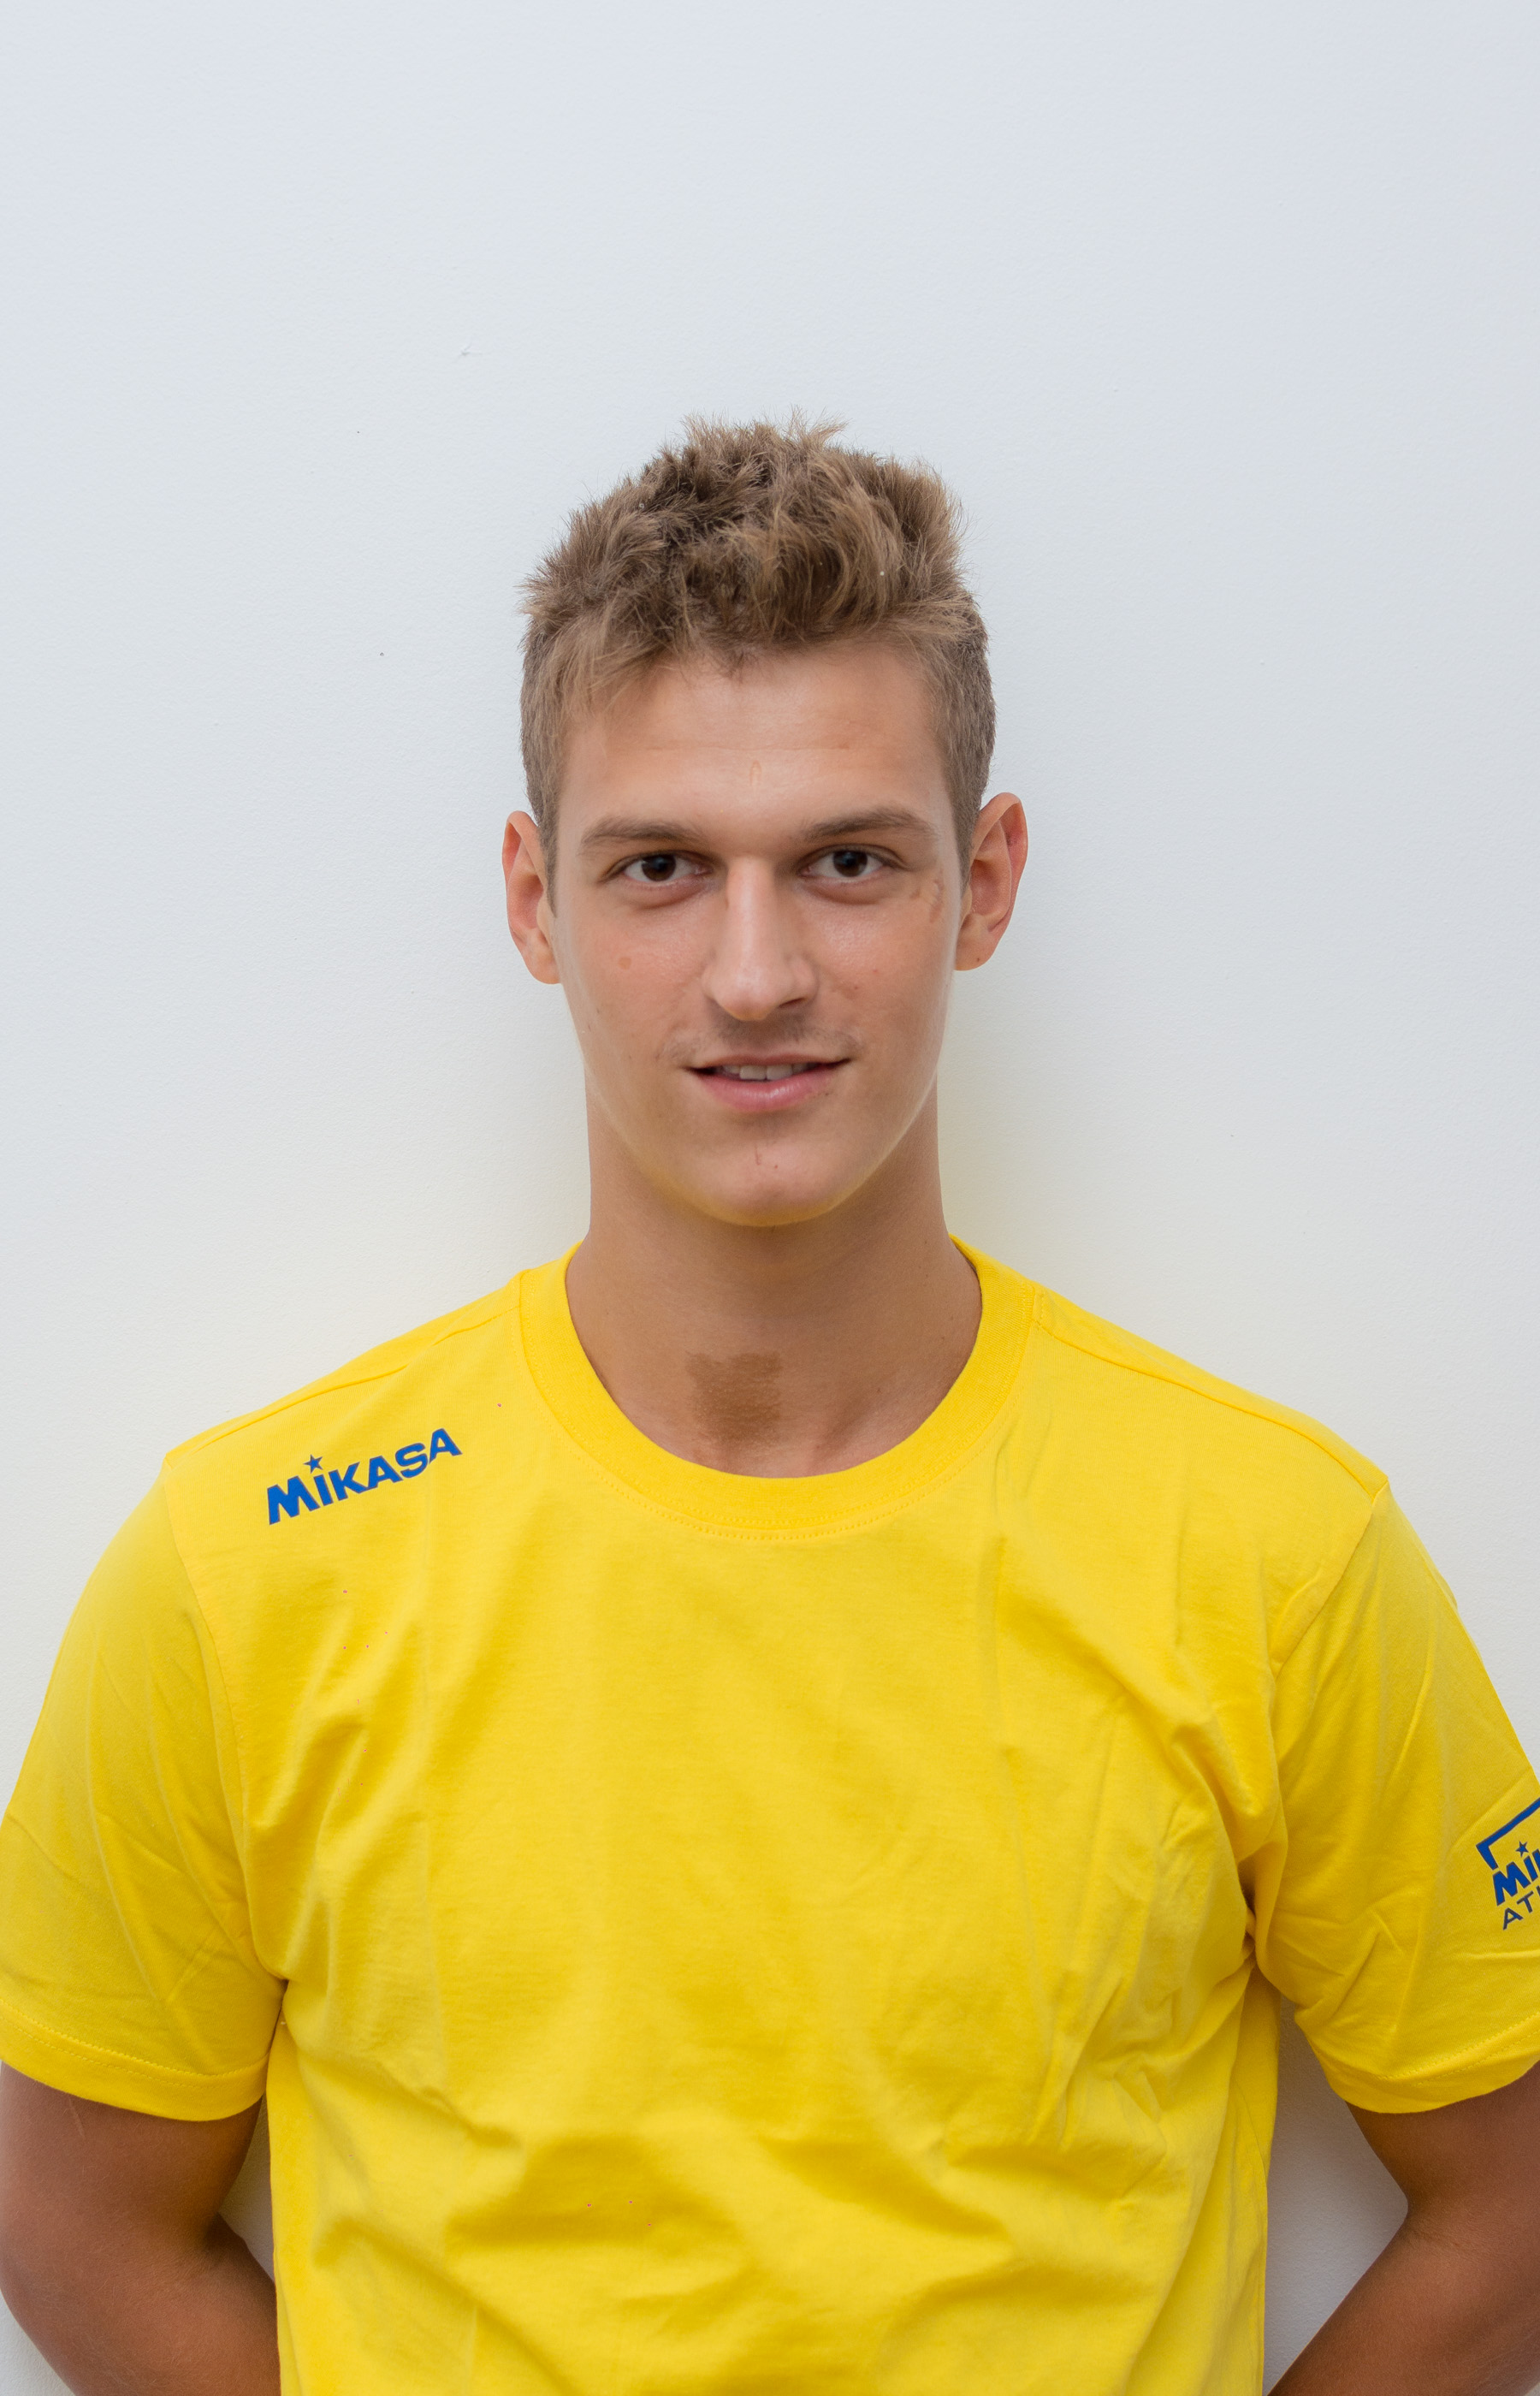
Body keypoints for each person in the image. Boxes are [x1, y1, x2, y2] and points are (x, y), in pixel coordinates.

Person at [2, 420, 1539, 2396]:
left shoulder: (1274, 1553)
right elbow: (68, 2218)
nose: (755, 973)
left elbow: (1511, 2197)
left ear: (983, 882)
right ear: (535, 900)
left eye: (847, 861)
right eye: (661, 867)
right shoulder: (246, 1565)